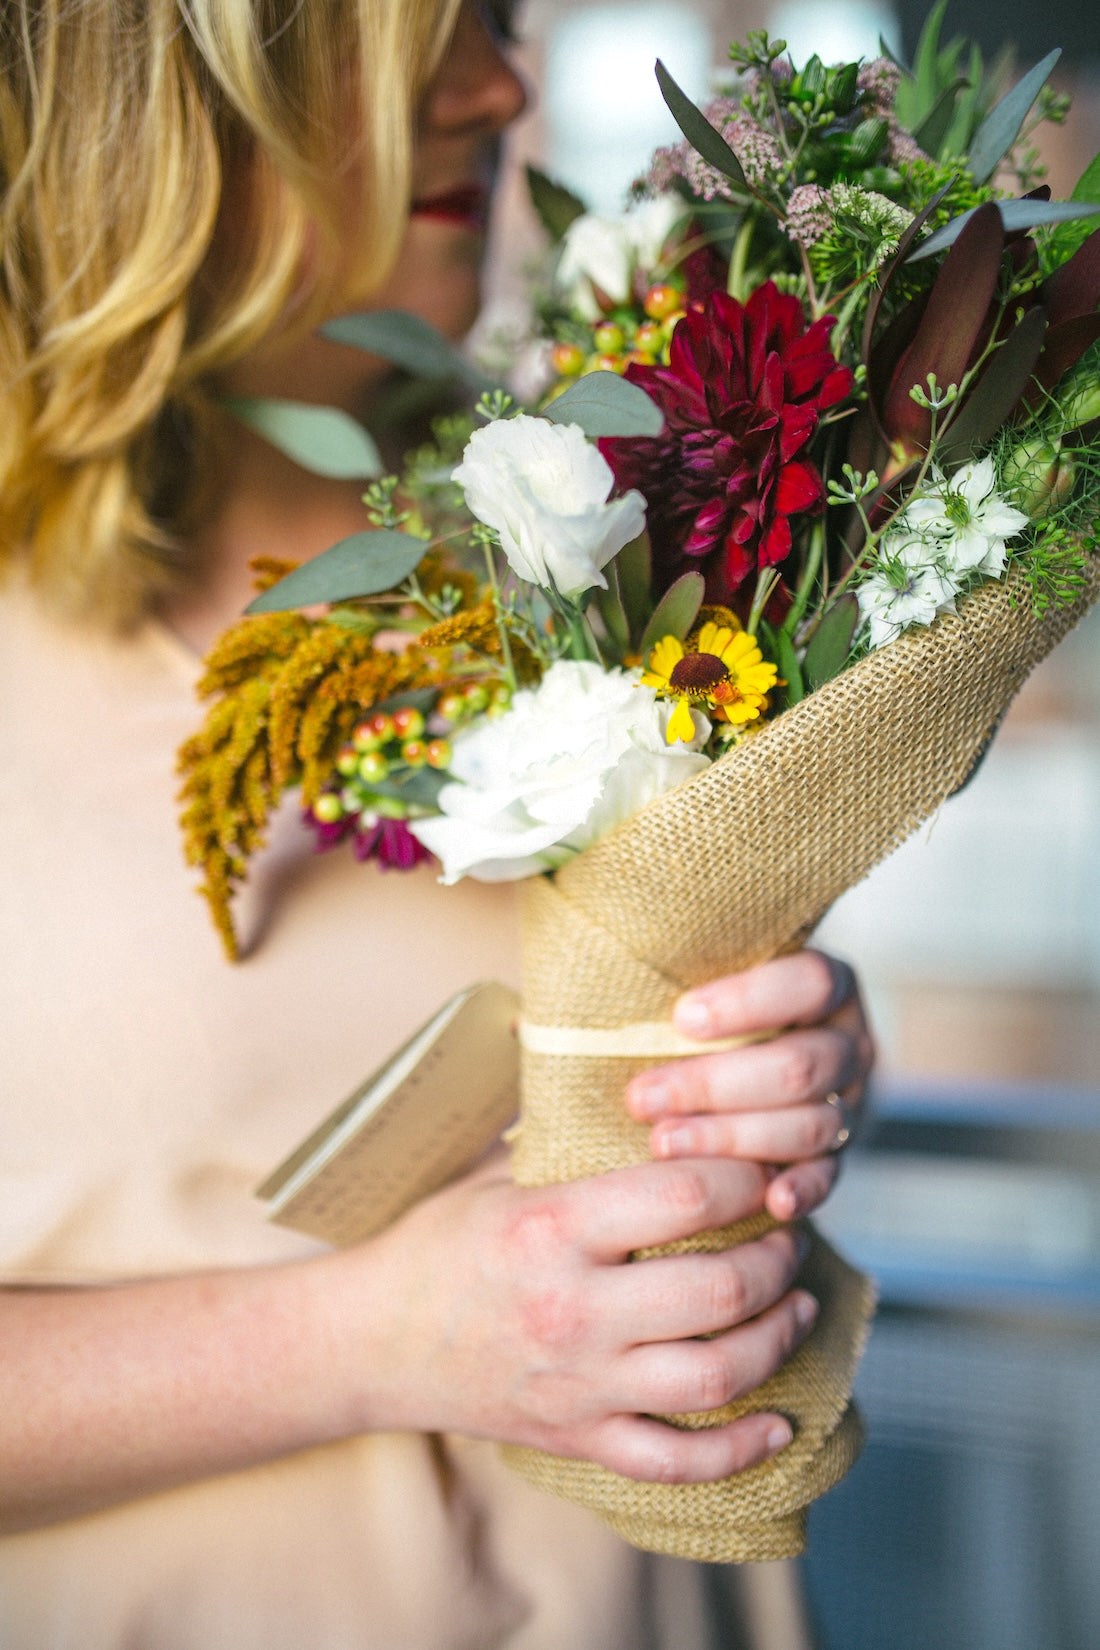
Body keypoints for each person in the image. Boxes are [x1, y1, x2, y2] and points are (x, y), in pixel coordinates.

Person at [0, 2, 874, 1644]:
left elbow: (657, 1067)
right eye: (418, 33)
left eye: (502, 19)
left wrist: (796, 1063)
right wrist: (366, 1339)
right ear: (168, 85)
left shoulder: (582, 524)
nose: (502, 84)